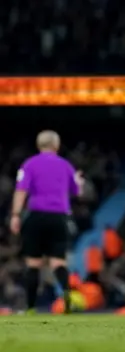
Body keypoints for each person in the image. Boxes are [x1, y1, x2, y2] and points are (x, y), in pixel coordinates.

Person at [10, 130, 84, 314]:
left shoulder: (29, 164)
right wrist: (79, 184)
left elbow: (21, 191)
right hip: (59, 218)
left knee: (33, 264)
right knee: (58, 262)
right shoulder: (66, 165)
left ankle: (30, 307)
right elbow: (76, 192)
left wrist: (16, 215)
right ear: (56, 146)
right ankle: (67, 300)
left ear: (38, 145)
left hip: (36, 216)